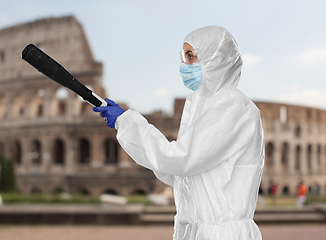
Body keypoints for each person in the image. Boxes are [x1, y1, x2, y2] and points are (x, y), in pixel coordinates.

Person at [93, 25, 264, 240]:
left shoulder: (232, 106)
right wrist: (126, 125)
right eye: (183, 57)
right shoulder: (202, 105)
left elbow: (182, 159)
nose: (185, 65)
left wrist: (126, 122)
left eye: (191, 56)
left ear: (216, 59)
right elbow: (181, 175)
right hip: (198, 230)